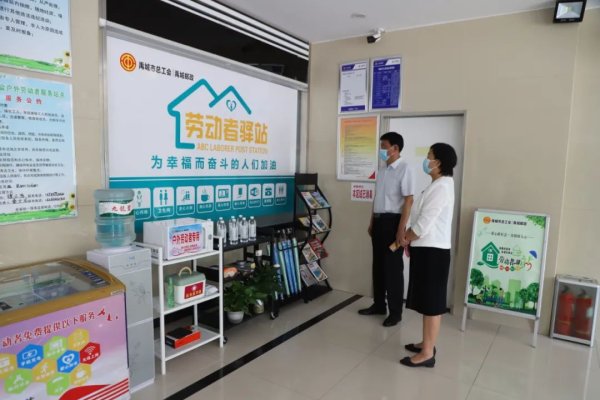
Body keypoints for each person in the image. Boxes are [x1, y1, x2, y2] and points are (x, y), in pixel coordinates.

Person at [399, 142, 457, 368]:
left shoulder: (441, 187)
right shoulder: (438, 184)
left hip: (433, 252)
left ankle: (427, 354)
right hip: (427, 249)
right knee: (428, 300)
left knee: (432, 303)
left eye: (429, 156)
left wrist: (406, 237)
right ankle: (427, 344)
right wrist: (411, 239)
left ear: (438, 162)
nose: (426, 160)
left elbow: (424, 223)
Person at [358, 132, 415, 327]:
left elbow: (408, 200)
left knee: (393, 269)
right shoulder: (382, 170)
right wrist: (372, 221)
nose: (381, 150)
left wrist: (401, 229)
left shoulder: (405, 169)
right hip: (379, 221)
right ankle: (379, 305)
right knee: (378, 266)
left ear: (395, 148)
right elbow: (377, 198)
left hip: (393, 223)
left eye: (384, 146)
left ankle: (395, 312)